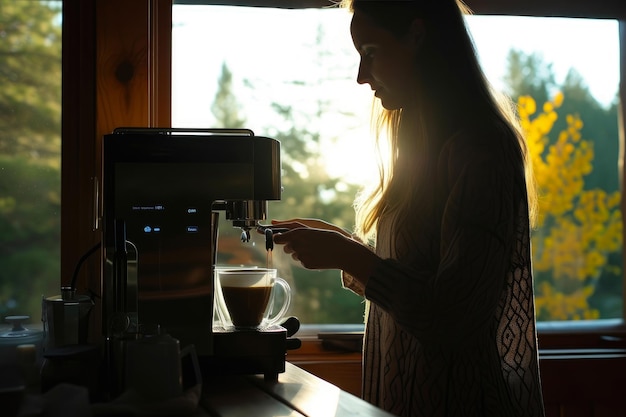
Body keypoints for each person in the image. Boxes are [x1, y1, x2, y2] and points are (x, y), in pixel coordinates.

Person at [268, 0, 546, 416]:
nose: (361, 76)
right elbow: (420, 274)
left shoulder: (482, 149)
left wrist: (349, 255)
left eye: (371, 53)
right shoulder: (421, 147)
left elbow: (452, 314)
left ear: (416, 34)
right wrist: (342, 247)